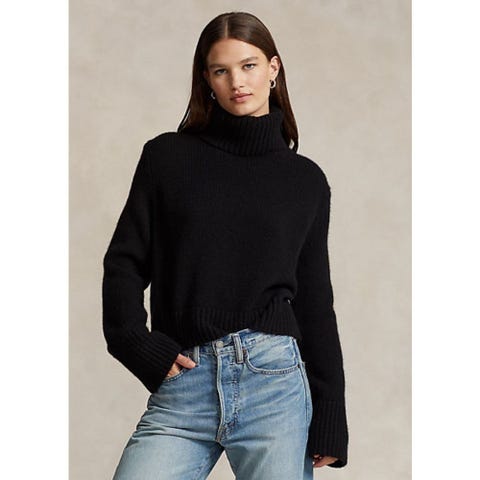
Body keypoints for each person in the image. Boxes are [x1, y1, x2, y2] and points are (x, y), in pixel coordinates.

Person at [102, 11, 348, 480]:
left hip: (274, 384)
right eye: (221, 70)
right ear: (207, 79)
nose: (237, 81)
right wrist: (132, 340)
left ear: (273, 68)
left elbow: (316, 302)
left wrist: (331, 414)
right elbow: (124, 262)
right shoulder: (167, 158)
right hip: (185, 382)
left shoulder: (305, 181)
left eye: (249, 65)